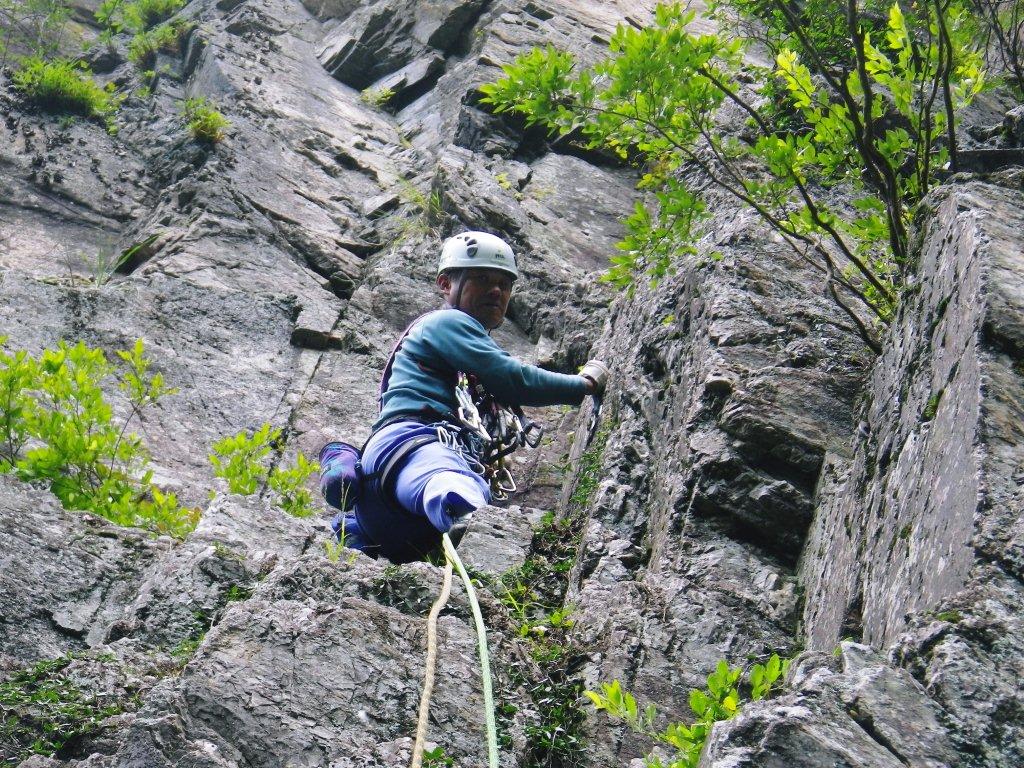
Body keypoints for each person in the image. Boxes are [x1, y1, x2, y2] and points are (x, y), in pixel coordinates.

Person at [321, 231, 608, 563]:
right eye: (481, 278)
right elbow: (514, 379)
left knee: (449, 497)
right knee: (456, 491)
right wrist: (583, 385)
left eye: (505, 284)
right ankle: (460, 507)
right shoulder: (446, 323)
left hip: (387, 505)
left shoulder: (462, 357)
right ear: (446, 284)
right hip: (416, 452)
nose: (496, 290)